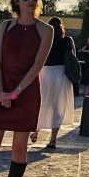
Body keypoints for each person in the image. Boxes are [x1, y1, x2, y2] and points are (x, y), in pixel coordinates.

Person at [0, 0, 53, 177]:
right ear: (16, 1)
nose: (31, 0)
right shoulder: (5, 26)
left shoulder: (46, 30)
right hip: (0, 90)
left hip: (26, 92)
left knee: (19, 149)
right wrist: (0, 91)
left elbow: (37, 65)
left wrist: (15, 93)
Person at [32, 17, 77, 149]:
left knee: (41, 103)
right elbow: (73, 56)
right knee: (58, 107)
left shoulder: (44, 39)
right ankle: (53, 139)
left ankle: (35, 131)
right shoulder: (68, 40)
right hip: (62, 73)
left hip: (45, 72)